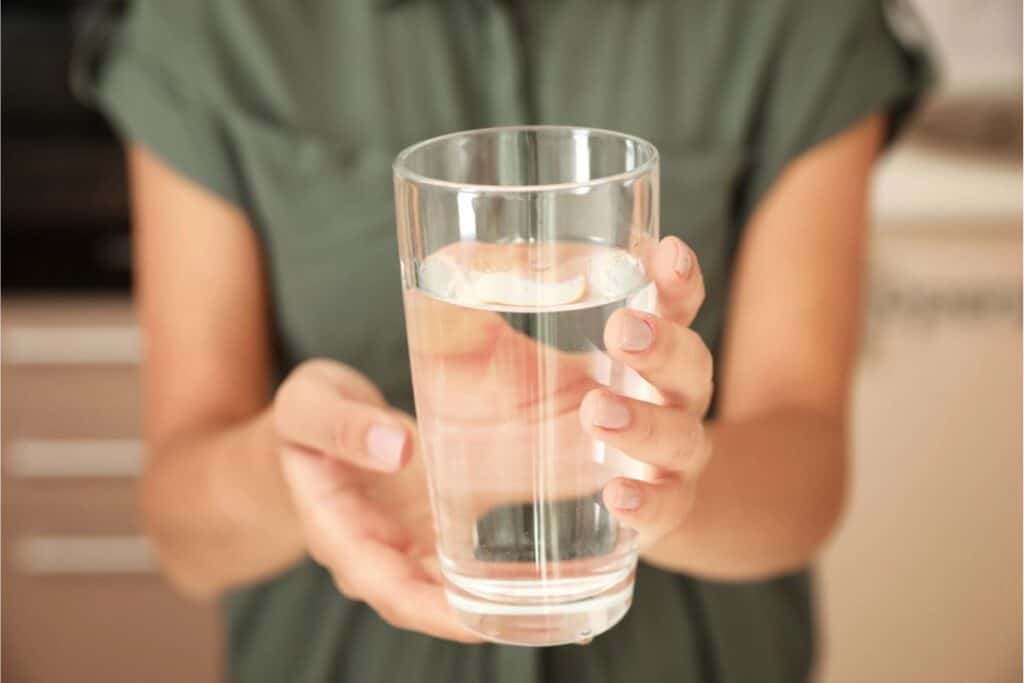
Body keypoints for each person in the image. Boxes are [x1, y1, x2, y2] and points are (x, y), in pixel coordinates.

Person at [80, 0, 928, 680]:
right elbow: (182, 531)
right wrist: (307, 467)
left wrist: (664, 476)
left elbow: (809, 472)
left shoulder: (799, 17)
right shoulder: (208, 23)